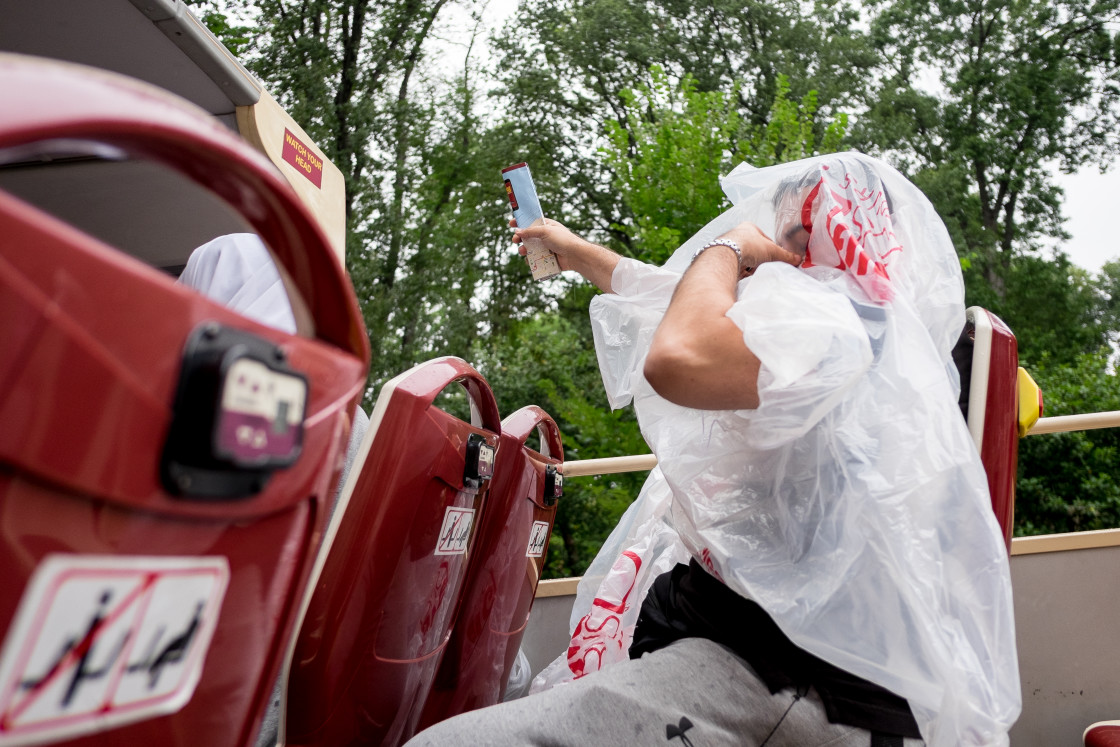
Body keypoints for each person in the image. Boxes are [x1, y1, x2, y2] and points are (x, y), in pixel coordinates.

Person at [406, 153, 1020, 746]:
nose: (765, 261)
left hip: (786, 681)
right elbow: (678, 302)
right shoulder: (872, 332)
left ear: (811, 237)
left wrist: (726, 249)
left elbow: (679, 355)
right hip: (776, 655)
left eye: (782, 238)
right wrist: (580, 255)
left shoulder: (833, 326)